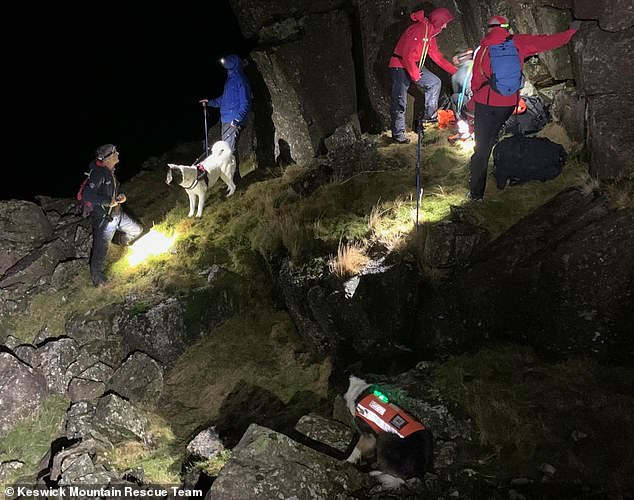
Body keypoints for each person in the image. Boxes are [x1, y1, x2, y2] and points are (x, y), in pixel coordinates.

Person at [466, 16, 580, 201]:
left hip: (486, 104)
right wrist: (571, 32)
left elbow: (476, 81)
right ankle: (504, 155)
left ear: (489, 29)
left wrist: (473, 104)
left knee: (482, 149)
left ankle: (476, 193)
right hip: (509, 103)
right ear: (507, 28)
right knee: (494, 133)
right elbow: (549, 41)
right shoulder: (518, 42)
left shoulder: (483, 49)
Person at [388, 8, 457, 144]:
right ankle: (398, 133)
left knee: (434, 82)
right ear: (438, 21)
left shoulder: (430, 34)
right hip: (400, 65)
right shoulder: (419, 29)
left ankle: (429, 120)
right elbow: (406, 53)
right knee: (400, 100)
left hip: (414, 64)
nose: (445, 26)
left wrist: (455, 71)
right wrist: (414, 74)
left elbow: (436, 56)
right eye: (444, 23)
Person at [81, 144, 143, 286]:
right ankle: (98, 281)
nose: (118, 153)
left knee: (137, 230)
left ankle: (118, 241)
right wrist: (109, 201)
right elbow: (87, 194)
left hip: (117, 213)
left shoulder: (110, 171)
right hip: (104, 218)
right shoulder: (98, 173)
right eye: (115, 152)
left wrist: (119, 197)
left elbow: (111, 191)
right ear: (108, 157)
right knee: (101, 250)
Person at [199, 54, 252, 181]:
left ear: (235, 64)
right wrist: (210, 102)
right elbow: (224, 99)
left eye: (228, 62)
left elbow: (246, 102)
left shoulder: (241, 80)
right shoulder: (230, 79)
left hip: (234, 121)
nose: (225, 63)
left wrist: (238, 119)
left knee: (228, 151)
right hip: (226, 119)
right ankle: (233, 177)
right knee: (226, 150)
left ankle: (233, 179)